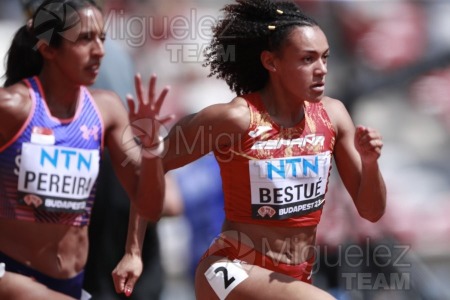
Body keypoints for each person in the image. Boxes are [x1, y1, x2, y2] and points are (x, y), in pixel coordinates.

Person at [116, 0, 387, 298]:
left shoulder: (333, 116)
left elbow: (371, 211)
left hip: (292, 278)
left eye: (325, 58)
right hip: (229, 270)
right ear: (271, 62)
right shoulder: (234, 119)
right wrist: (133, 251)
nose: (321, 69)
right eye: (307, 59)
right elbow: (149, 168)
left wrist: (370, 163)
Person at [0, 0, 171, 299]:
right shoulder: (13, 107)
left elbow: (150, 206)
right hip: (12, 278)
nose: (100, 51)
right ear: (48, 49)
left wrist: (152, 149)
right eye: (84, 39)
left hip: (73, 283)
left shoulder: (106, 110)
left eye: (101, 38)